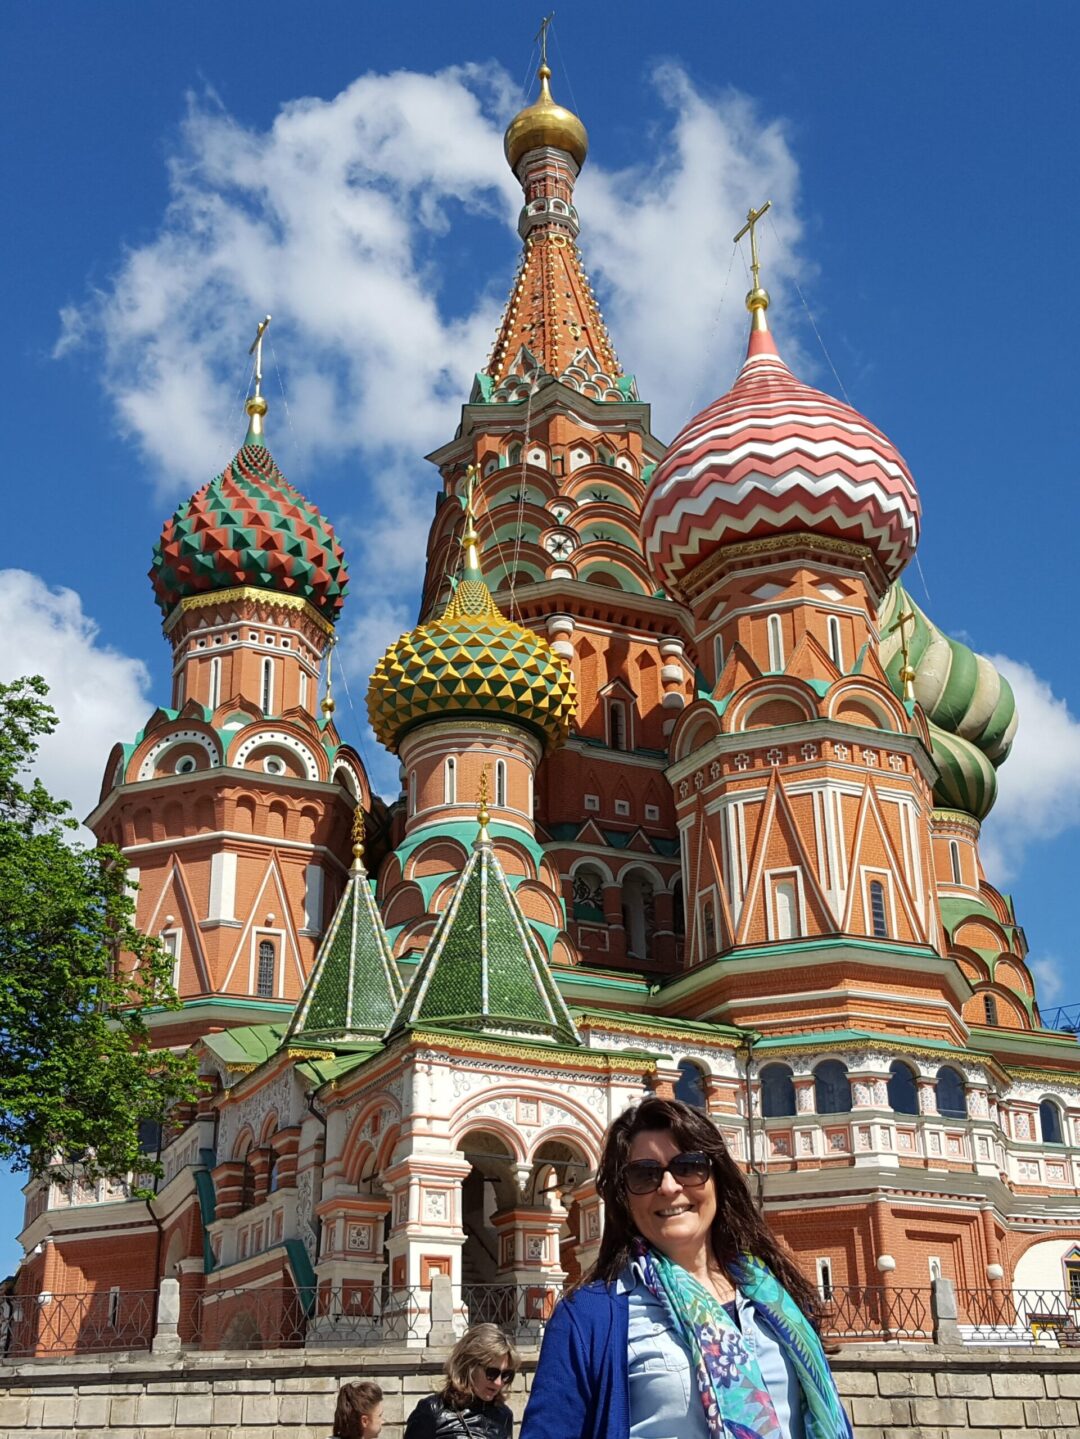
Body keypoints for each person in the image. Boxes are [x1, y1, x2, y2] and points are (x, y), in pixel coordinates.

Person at [521, 1095, 852, 1439]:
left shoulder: (774, 1297)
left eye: (689, 1166)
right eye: (644, 1175)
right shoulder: (590, 1317)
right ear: (624, 1197)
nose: (669, 1187)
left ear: (717, 1178)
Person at [404, 1322, 518, 1439]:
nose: (498, 1382)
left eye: (506, 1375)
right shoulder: (432, 1411)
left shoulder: (504, 1416)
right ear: (469, 1366)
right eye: (492, 1373)